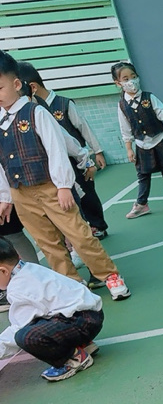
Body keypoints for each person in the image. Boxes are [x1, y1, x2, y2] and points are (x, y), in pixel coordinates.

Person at [0, 51, 130, 300]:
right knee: (48, 243)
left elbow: (57, 149)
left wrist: (62, 185)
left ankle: (109, 275)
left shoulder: (36, 113)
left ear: (16, 84)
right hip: (21, 194)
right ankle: (73, 285)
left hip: (50, 187)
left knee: (80, 235)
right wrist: (5, 196)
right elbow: (1, 163)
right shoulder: (0, 122)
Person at [17, 62, 111, 239]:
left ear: (32, 87)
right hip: (55, 165)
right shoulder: (29, 111)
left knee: (88, 195)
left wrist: (96, 152)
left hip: (76, 162)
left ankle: (97, 225)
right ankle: (78, 232)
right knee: (69, 202)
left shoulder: (62, 104)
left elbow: (83, 128)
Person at [0, 236, 102, 381]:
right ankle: (82, 344)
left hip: (81, 322)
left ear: (3, 271)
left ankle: (73, 358)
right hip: (91, 315)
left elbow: (19, 328)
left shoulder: (19, 288)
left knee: (25, 336)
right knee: (41, 320)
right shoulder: (29, 268)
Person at [113, 61, 163, 220]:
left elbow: (162, 115)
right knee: (143, 175)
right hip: (141, 144)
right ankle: (142, 204)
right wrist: (129, 149)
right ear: (118, 83)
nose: (131, 81)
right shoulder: (122, 105)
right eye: (126, 79)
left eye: (133, 76)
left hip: (160, 139)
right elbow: (125, 129)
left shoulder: (149, 97)